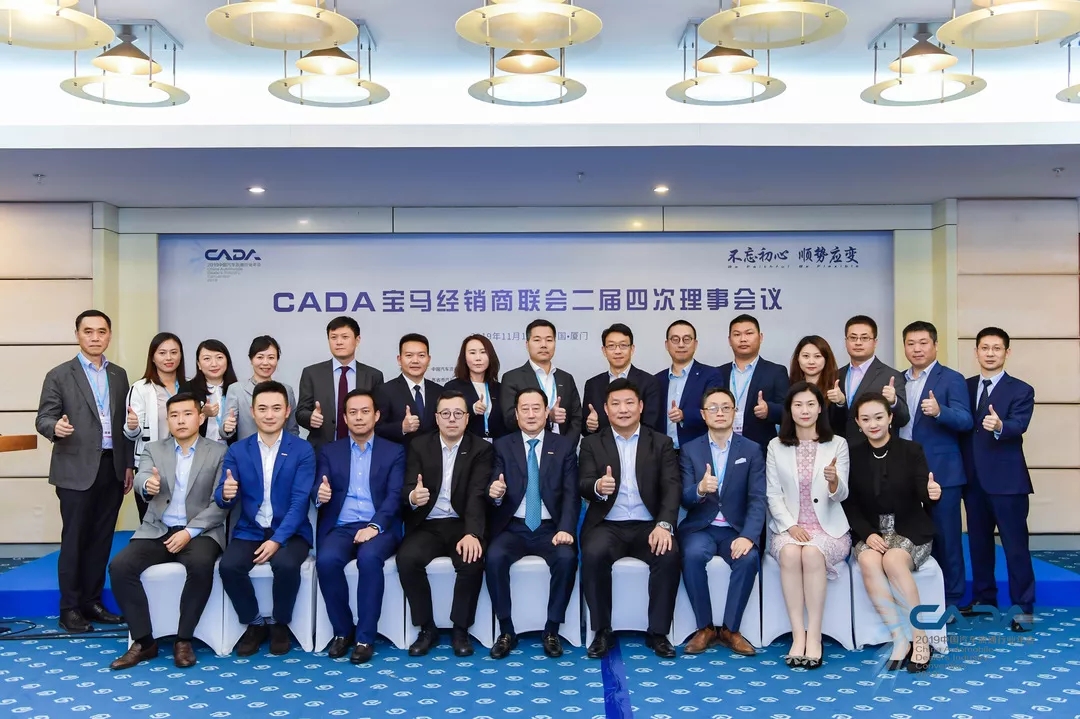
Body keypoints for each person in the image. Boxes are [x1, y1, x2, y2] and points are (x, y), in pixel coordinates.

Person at [107, 393, 228, 670]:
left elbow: (220, 503)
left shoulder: (219, 452)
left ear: (200, 417)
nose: (180, 420)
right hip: (158, 529)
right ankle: (144, 641)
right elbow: (142, 476)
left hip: (200, 530)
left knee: (201, 565)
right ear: (168, 420)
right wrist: (146, 485)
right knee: (120, 567)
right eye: (174, 415)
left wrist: (189, 532)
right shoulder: (154, 449)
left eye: (187, 414)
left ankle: (183, 639)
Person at [35, 310, 133, 633]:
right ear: (77, 334)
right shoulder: (59, 374)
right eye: (88, 331)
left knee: (101, 540)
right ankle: (70, 608)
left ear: (109, 335)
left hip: (112, 467)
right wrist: (55, 428)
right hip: (75, 468)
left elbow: (123, 425)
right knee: (75, 540)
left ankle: (92, 602)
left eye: (101, 331)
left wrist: (128, 464)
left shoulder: (118, 375)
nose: (95, 337)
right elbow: (43, 418)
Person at [579, 378, 680, 660]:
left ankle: (658, 632)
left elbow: (672, 487)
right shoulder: (591, 443)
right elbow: (583, 482)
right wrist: (598, 486)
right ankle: (601, 631)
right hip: (607, 524)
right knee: (593, 553)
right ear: (606, 409)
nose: (623, 409)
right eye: (616, 404)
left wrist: (664, 525)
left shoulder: (661, 442)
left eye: (629, 403)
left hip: (649, 524)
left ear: (641, 406)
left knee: (668, 553)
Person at [215, 380, 315, 657]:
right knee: (229, 567)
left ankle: (280, 623)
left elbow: (299, 502)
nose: (269, 415)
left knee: (285, 564)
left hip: (291, 531)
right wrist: (226, 493)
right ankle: (254, 623)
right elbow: (223, 497)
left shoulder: (302, 450)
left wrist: (277, 540)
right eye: (262, 409)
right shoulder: (237, 450)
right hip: (251, 529)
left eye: (276, 408)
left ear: (287, 411)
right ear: (252, 411)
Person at [843, 392, 940, 672]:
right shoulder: (853, 454)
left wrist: (932, 493)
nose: (873, 424)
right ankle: (899, 638)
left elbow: (923, 491)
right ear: (858, 423)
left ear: (890, 418)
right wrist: (866, 534)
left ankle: (920, 639)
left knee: (893, 560)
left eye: (878, 417)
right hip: (871, 531)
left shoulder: (912, 450)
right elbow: (849, 503)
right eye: (865, 419)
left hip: (909, 527)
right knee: (868, 559)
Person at [397, 390, 493, 658]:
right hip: (428, 523)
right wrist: (413, 497)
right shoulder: (419, 445)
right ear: (436, 418)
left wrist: (473, 533)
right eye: (446, 413)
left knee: (472, 559)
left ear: (467, 418)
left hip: (462, 523)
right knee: (407, 559)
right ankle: (426, 628)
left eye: (458, 413)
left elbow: (477, 495)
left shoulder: (481, 449)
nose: (452, 419)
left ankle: (460, 629)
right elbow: (407, 487)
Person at [485, 387, 579, 660]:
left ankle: (552, 629)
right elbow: (493, 485)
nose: (530, 414)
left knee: (566, 559)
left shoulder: (563, 446)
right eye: (524, 409)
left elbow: (571, 494)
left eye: (536, 408)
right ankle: (506, 630)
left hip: (551, 528)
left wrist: (566, 529)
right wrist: (496, 493)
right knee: (494, 557)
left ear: (546, 412)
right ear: (515, 414)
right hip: (513, 527)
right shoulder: (503, 445)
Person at [313, 390, 405, 664]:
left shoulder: (394, 451)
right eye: (352, 412)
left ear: (376, 416)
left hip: (380, 526)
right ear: (344, 418)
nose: (359, 417)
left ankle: (365, 638)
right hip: (342, 526)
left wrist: (374, 526)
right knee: (326, 561)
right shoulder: (330, 451)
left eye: (365, 411)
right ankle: (343, 632)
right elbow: (319, 486)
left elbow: (394, 496)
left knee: (369, 559)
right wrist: (319, 494)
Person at [765, 382, 850, 669]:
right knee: (791, 553)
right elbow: (773, 494)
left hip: (828, 530)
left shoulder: (837, 444)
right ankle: (797, 635)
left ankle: (814, 635)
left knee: (812, 553)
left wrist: (834, 482)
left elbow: (842, 495)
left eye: (811, 404)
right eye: (798, 405)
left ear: (820, 409)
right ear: (789, 409)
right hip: (788, 528)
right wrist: (790, 526)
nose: (805, 410)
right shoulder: (776, 445)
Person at [678, 387, 766, 657]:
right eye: (713, 408)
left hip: (735, 529)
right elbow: (684, 498)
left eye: (726, 407)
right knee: (692, 555)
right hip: (701, 527)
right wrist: (700, 489)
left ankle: (730, 629)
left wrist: (748, 536)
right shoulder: (690, 450)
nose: (720, 413)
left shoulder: (751, 449)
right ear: (703, 414)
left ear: (735, 412)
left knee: (748, 558)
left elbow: (757, 498)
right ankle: (704, 627)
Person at [959, 327, 1036, 631]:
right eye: (985, 348)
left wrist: (1001, 425)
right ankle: (983, 598)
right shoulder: (964, 387)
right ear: (976, 351)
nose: (990, 353)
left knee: (1015, 548)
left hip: (1008, 483)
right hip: (973, 482)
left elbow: (1020, 424)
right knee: (978, 545)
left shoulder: (1022, 389)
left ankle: (1023, 609)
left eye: (996, 348)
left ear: (1007, 352)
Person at [900, 321, 972, 610]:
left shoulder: (952, 379)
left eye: (923, 343)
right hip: (905, 471)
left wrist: (941, 412)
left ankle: (952, 600)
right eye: (911, 343)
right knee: (910, 536)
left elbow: (965, 420)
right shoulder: (897, 380)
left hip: (942, 472)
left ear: (935, 345)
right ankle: (922, 597)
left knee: (947, 537)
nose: (917, 349)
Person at [297, 316, 385, 455]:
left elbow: (379, 416)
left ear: (357, 340)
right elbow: (301, 412)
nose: (339, 342)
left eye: (345, 337)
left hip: (363, 450)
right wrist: (310, 418)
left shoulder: (373, 375)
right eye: (333, 337)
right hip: (322, 450)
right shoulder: (312, 373)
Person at [124, 332, 188, 522]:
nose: (169, 358)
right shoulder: (141, 388)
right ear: (152, 357)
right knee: (151, 521)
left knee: (183, 519)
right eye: (162, 353)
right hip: (152, 465)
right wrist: (132, 426)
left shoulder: (189, 387)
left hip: (186, 463)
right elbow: (132, 434)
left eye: (174, 352)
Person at [501, 319, 582, 448]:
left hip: (563, 451)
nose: (544, 345)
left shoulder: (565, 378)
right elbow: (509, 419)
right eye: (537, 340)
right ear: (527, 344)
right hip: (527, 449)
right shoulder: (512, 378)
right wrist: (548, 416)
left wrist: (566, 447)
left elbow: (576, 418)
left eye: (549, 340)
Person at [716, 315, 789, 456]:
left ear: (760, 337)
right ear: (729, 340)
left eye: (749, 333)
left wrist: (769, 410)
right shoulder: (718, 373)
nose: (743, 339)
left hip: (760, 449)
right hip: (722, 448)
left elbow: (789, 411)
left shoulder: (776, 371)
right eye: (737, 334)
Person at [830, 315, 910, 441]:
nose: (858, 342)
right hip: (842, 447)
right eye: (853, 338)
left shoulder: (891, 376)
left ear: (875, 342)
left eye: (864, 338)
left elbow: (903, 419)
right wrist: (840, 404)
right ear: (846, 341)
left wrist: (893, 402)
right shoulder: (836, 375)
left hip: (875, 448)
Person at [582, 323, 663, 437]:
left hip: (639, 446)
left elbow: (651, 424)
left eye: (623, 345)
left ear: (632, 349)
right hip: (601, 446)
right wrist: (590, 427)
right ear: (604, 350)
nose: (617, 351)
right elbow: (585, 428)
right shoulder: (592, 384)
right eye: (611, 346)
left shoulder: (649, 382)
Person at [654, 320, 721, 450]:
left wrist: (684, 415)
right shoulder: (657, 379)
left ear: (695, 344)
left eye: (686, 339)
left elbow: (714, 410)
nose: (681, 345)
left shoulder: (710, 375)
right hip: (664, 453)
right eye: (675, 339)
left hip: (698, 451)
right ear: (667, 345)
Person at [222, 336, 300, 442]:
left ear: (277, 360)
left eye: (271, 357)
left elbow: (292, 429)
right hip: (247, 450)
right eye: (260, 357)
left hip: (281, 450)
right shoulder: (236, 389)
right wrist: (227, 427)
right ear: (251, 359)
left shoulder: (287, 390)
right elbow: (225, 429)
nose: (265, 362)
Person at [374, 333, 443, 446]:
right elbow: (376, 428)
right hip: (401, 455)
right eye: (409, 355)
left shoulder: (439, 391)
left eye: (421, 355)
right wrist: (401, 427)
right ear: (399, 359)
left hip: (434, 455)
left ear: (428, 359)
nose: (415, 361)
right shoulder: (384, 391)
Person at [444, 334, 509, 441]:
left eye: (483, 352)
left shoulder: (499, 388)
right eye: (472, 353)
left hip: (497, 446)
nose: (478, 358)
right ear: (464, 358)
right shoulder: (453, 387)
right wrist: (472, 409)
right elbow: (446, 418)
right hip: (467, 446)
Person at [788, 335, 845, 434]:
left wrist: (841, 402)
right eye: (806, 356)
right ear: (798, 358)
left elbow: (843, 423)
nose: (811, 362)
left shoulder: (838, 384)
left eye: (817, 356)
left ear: (826, 358)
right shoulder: (789, 386)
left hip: (830, 440)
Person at [187, 339, 238, 444]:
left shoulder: (237, 389)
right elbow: (182, 423)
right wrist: (203, 414)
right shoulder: (188, 389)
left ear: (227, 361)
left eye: (219, 357)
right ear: (199, 364)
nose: (214, 364)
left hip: (232, 449)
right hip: (200, 449)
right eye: (207, 359)